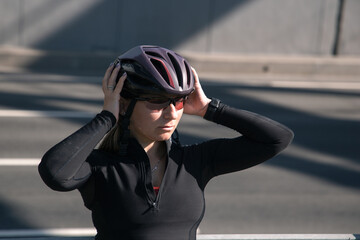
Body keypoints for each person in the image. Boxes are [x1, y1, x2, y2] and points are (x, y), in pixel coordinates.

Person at [38, 45, 294, 240]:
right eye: (157, 102)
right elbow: (55, 172)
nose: (172, 113)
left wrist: (209, 109)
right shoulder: (101, 168)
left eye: (178, 101)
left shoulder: (195, 161)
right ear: (125, 104)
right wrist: (107, 117)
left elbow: (277, 139)